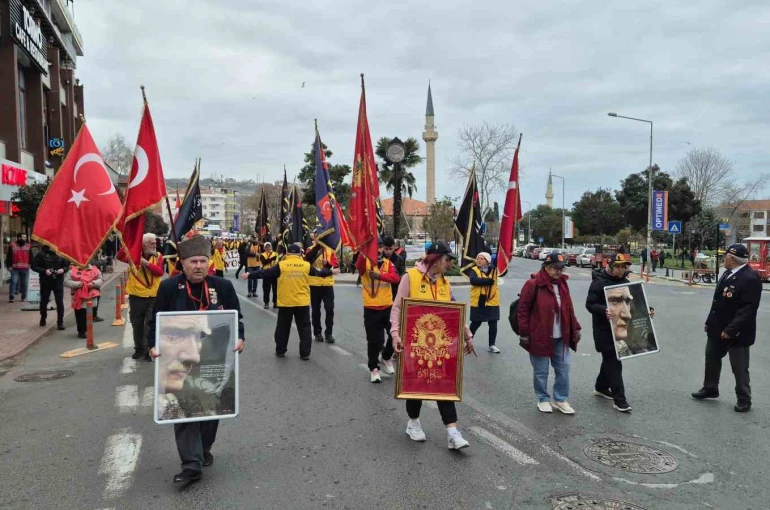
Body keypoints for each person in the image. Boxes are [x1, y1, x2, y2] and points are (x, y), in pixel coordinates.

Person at [148, 234, 245, 484]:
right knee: (183, 408)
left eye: (203, 261)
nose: (199, 266)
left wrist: (240, 338)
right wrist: (152, 345)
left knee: (210, 409)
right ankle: (191, 464)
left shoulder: (222, 287)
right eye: (193, 261)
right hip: (179, 360)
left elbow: (236, 319)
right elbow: (156, 321)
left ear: (209, 262)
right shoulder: (169, 287)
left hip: (213, 361)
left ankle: (203, 449)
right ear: (183, 263)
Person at [390, 241, 476, 450]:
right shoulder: (410, 277)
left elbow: (456, 313)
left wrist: (467, 336)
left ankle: (452, 432)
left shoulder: (444, 283)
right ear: (436, 259)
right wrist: (395, 334)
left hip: (439, 346)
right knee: (416, 386)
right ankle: (413, 422)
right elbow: (397, 308)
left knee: (444, 385)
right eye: (448, 259)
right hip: (415, 344)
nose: (450, 264)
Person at [692, 244, 762, 413]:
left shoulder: (750, 278)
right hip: (716, 328)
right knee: (711, 358)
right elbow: (717, 302)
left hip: (737, 332)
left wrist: (730, 329)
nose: (723, 259)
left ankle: (744, 398)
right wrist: (710, 322)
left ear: (732, 258)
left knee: (739, 367)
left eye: (725, 257)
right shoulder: (727, 273)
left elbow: (748, 310)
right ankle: (710, 388)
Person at [242, 243, 336, 360]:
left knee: (283, 327)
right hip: (302, 302)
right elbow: (319, 273)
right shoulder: (306, 265)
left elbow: (265, 273)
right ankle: (305, 353)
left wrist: (250, 275)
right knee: (305, 328)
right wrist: (332, 272)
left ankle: (280, 351)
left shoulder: (282, 265)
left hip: (286, 302)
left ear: (287, 254)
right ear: (299, 254)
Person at [517, 252, 581, 414]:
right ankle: (543, 398)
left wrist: (576, 327)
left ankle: (560, 399)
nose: (558, 271)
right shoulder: (533, 284)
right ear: (545, 267)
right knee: (541, 370)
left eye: (561, 268)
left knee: (564, 368)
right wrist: (524, 333)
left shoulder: (563, 284)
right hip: (540, 334)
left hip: (562, 335)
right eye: (554, 268)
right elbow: (522, 310)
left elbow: (569, 307)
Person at [585, 254, 635, 412]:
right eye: (617, 266)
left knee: (610, 359)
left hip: (620, 328)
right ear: (610, 266)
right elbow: (589, 304)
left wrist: (648, 311)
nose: (620, 270)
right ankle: (619, 400)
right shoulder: (599, 283)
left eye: (623, 267)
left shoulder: (626, 283)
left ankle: (601, 387)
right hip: (603, 330)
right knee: (614, 361)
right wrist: (603, 310)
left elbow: (633, 303)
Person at [356, 239, 400, 383]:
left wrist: (380, 276)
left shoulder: (387, 263)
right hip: (371, 308)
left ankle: (386, 357)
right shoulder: (365, 263)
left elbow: (396, 278)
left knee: (395, 335)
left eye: (380, 247)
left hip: (387, 306)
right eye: (376, 247)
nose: (379, 250)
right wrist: (364, 250)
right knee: (375, 341)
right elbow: (358, 265)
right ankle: (374, 369)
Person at [119, 234, 165, 361]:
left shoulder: (158, 256)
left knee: (149, 324)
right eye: (151, 243)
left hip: (153, 295)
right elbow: (120, 255)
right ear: (143, 245)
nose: (155, 245)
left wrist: (145, 263)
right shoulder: (133, 254)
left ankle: (149, 350)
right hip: (137, 295)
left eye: (155, 243)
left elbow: (160, 272)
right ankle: (139, 349)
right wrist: (132, 241)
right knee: (137, 324)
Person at [306, 231, 338, 343]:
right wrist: (318, 246)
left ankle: (329, 333)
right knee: (316, 310)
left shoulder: (330, 250)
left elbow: (336, 265)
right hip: (315, 284)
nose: (319, 238)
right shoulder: (311, 249)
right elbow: (307, 259)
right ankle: (317, 332)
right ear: (314, 238)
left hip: (327, 284)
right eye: (317, 237)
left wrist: (328, 263)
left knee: (329, 309)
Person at [468, 252, 501, 353]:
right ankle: (467, 341)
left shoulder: (495, 270)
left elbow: (504, 270)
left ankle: (492, 345)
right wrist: (487, 281)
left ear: (487, 261)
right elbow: (474, 280)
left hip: (492, 300)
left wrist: (500, 262)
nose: (479, 260)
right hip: (479, 300)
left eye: (482, 259)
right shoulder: (474, 270)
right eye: (478, 258)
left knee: (493, 322)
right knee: (475, 323)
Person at [31, 245, 68, 329]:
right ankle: (43, 317)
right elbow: (33, 266)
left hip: (58, 281)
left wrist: (63, 270)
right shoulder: (41, 254)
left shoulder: (61, 252)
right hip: (45, 281)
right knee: (44, 301)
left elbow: (66, 265)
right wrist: (44, 271)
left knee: (59, 302)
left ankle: (60, 322)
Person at [64, 262, 103, 339]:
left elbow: (100, 279)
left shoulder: (94, 269)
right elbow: (66, 281)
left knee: (90, 314)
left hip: (92, 295)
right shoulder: (72, 271)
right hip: (78, 297)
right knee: (80, 315)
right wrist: (77, 284)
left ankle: (88, 329)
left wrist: (93, 283)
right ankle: (81, 331)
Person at [6, 233, 31, 303]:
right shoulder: (12, 245)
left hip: (25, 268)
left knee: (25, 283)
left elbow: (31, 256)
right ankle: (11, 297)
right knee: (13, 282)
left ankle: (24, 297)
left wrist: (31, 265)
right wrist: (9, 266)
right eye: (23, 237)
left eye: (25, 237)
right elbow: (9, 256)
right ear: (19, 238)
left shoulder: (28, 246)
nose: (25, 238)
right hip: (15, 268)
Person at [259, 242, 278, 309]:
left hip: (274, 273)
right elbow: (264, 262)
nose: (268, 248)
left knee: (275, 289)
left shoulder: (275, 253)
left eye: (269, 246)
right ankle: (266, 303)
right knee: (266, 289)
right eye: (266, 247)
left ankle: (275, 302)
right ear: (264, 248)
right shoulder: (262, 255)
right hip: (266, 273)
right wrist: (272, 258)